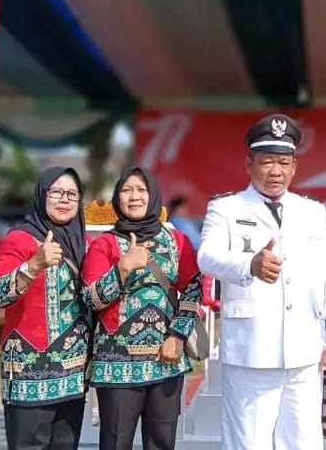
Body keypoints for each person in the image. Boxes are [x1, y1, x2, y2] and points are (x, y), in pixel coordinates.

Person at [197, 113, 326, 450]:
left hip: (304, 349)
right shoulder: (226, 207)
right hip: (251, 349)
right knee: (248, 443)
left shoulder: (313, 211)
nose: (275, 171)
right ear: (249, 164)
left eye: (283, 162)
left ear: (295, 167)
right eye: (267, 162)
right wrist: (248, 264)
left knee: (303, 442)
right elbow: (206, 257)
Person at [82, 166, 202, 450]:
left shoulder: (176, 241)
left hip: (166, 360)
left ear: (153, 196)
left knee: (162, 442)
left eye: (141, 190)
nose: (134, 196)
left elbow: (193, 287)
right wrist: (122, 269)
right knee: (115, 441)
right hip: (116, 364)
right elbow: (90, 299)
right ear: (117, 198)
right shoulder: (104, 244)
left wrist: (177, 336)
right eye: (126, 190)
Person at [0, 167, 90, 450]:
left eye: (72, 194)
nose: (64, 199)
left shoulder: (83, 243)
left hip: (73, 373)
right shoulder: (19, 239)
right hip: (29, 372)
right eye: (56, 192)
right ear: (42, 195)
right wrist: (32, 266)